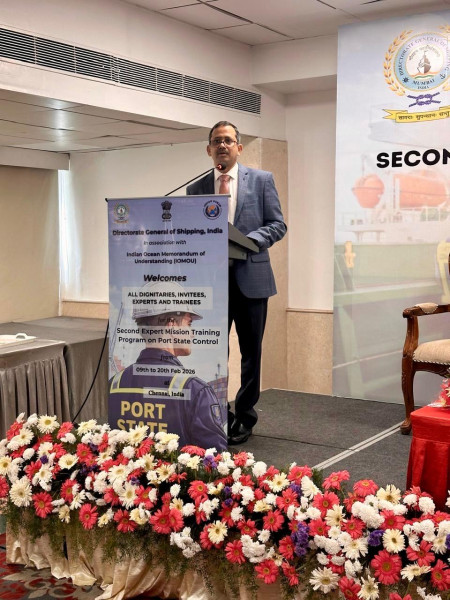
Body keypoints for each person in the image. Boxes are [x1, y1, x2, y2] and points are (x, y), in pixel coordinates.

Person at [187, 121, 286, 445]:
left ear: (239, 148)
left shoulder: (261, 180)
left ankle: (245, 415)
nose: (222, 145)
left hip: (251, 279)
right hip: (212, 283)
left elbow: (277, 224)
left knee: (250, 353)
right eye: (217, 141)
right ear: (208, 149)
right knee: (213, 353)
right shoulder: (196, 188)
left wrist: (249, 240)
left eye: (228, 140)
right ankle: (218, 413)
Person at [109, 282, 227, 451]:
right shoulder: (196, 391)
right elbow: (216, 459)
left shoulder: (114, 384)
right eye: (189, 324)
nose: (193, 334)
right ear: (172, 324)